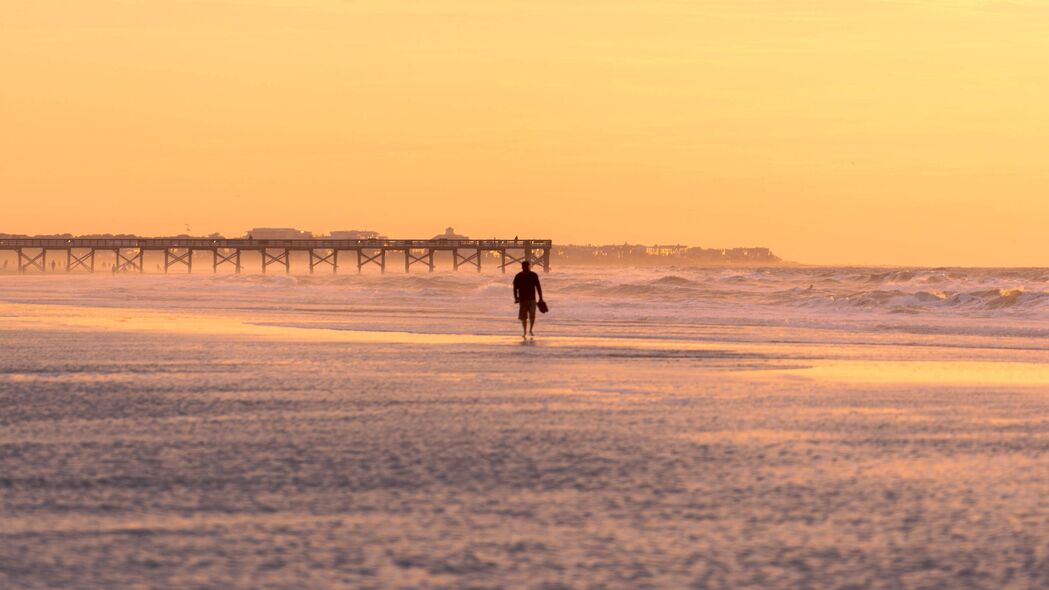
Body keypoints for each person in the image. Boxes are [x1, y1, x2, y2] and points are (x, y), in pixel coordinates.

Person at [513, 261, 543, 338]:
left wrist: (540, 298)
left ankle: (530, 330)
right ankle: (524, 331)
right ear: (522, 267)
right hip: (522, 299)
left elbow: (538, 287)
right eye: (524, 266)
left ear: (529, 266)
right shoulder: (518, 276)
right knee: (523, 317)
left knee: (532, 315)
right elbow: (515, 288)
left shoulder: (533, 275)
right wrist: (516, 298)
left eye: (527, 266)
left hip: (532, 299)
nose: (526, 268)